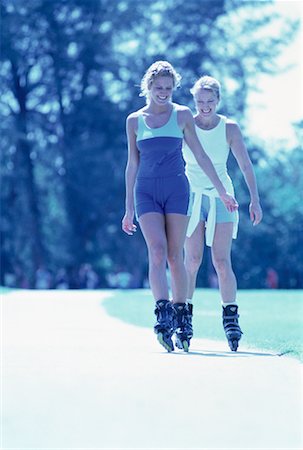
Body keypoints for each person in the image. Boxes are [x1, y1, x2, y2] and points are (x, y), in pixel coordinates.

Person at [122, 61, 238, 352]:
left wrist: (223, 192)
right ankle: (162, 314)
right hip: (146, 192)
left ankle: (182, 315)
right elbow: (132, 163)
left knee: (176, 255)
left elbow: (200, 155)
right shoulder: (134, 121)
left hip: (176, 190)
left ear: (174, 88)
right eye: (158, 88)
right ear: (148, 87)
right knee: (157, 250)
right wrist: (128, 208)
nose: (163, 93)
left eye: (168, 88)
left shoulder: (182, 115)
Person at [183, 75, 263, 351]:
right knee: (191, 260)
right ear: (194, 101)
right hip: (192, 198)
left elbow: (244, 164)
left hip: (223, 198)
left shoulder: (229, 128)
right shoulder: (185, 124)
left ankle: (230, 317)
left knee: (220, 260)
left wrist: (254, 199)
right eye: (200, 101)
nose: (205, 106)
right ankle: (184, 314)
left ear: (218, 100)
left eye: (210, 101)